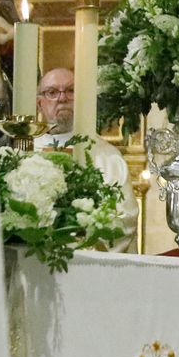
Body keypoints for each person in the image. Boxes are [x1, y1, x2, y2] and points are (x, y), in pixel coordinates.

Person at [33, 67, 139, 252]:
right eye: (51, 92)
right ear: (39, 104)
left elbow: (125, 218)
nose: (62, 98)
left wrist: (78, 246)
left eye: (71, 90)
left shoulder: (108, 158)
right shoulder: (26, 151)